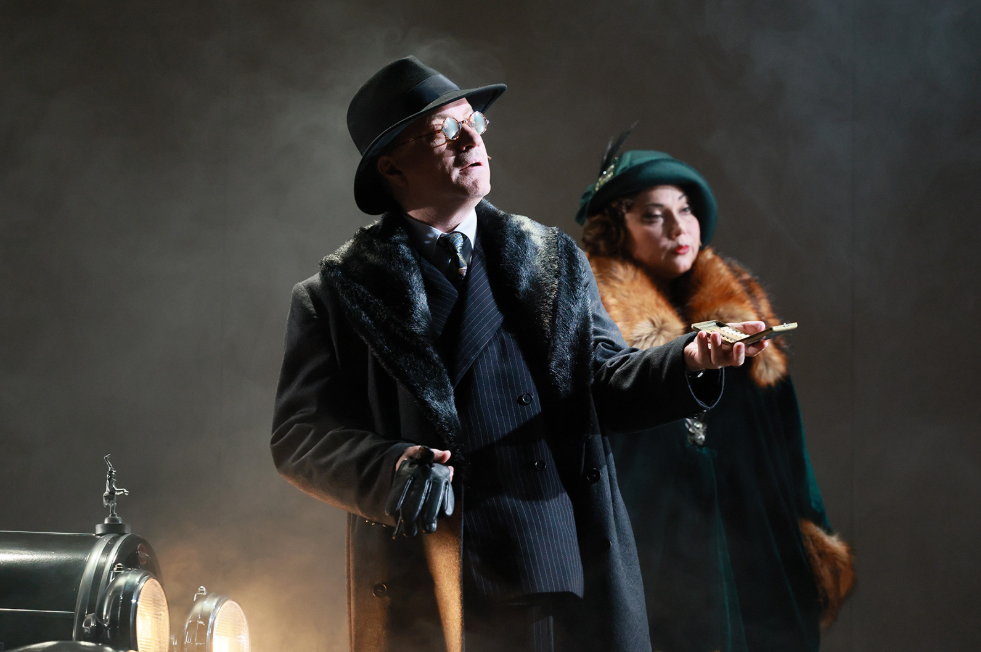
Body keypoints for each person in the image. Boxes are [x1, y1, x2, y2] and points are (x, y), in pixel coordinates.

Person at [270, 58, 768, 652]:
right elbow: (299, 437)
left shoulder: (549, 258)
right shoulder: (336, 294)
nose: (471, 139)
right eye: (443, 130)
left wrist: (690, 359)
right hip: (432, 576)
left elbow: (607, 381)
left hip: (556, 563)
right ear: (392, 167)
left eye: (473, 121)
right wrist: (391, 468)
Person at [576, 146, 855, 652]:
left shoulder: (740, 311)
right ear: (616, 230)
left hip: (754, 549)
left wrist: (811, 536)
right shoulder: (591, 321)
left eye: (685, 210)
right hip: (654, 552)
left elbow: (786, 445)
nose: (678, 228)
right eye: (653, 216)